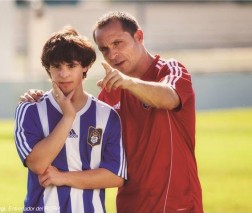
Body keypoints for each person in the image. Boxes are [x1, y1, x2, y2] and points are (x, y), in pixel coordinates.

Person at [20, 11, 203, 213]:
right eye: (104, 49)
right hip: (129, 206)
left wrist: (128, 83)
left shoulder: (169, 71)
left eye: (118, 43)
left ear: (139, 37)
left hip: (176, 203)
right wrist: (39, 97)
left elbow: (170, 98)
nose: (112, 55)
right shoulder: (108, 96)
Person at [14, 26, 127, 213]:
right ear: (48, 69)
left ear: (85, 67)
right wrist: (68, 117)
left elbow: (115, 176)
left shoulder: (107, 116)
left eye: (71, 66)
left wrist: (64, 177)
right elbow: (38, 164)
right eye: (57, 66)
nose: (63, 74)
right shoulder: (30, 109)